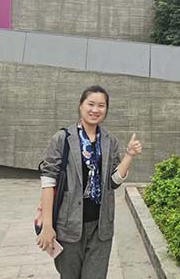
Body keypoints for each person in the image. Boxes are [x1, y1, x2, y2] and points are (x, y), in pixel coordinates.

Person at [36, 85, 142, 279]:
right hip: (69, 226)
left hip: (100, 227)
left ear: (106, 110)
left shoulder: (109, 141)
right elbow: (48, 181)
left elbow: (113, 182)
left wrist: (129, 155)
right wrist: (48, 226)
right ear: (81, 106)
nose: (95, 110)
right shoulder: (63, 139)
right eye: (91, 104)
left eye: (101, 105)